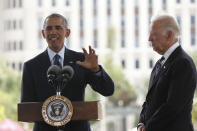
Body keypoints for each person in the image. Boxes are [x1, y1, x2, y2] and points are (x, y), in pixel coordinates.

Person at [20, 13, 114, 131]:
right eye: (49, 28)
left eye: (58, 28)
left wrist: (95, 70)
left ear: (67, 33)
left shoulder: (81, 61)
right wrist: (52, 114)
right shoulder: (31, 66)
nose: (53, 32)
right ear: (43, 34)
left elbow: (108, 90)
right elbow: (26, 109)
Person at [137, 14, 197, 131]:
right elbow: (148, 101)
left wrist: (148, 128)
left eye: (153, 34)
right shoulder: (159, 64)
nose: (149, 38)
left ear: (169, 35)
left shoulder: (183, 63)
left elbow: (173, 107)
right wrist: (140, 123)